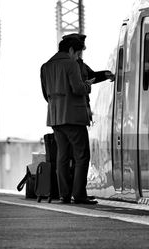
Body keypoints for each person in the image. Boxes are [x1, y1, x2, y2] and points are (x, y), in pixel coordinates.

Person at [40, 37, 98, 204]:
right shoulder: (70, 64)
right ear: (72, 50)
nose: (78, 57)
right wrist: (87, 84)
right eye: (79, 52)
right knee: (82, 156)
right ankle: (79, 194)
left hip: (55, 117)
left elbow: (45, 94)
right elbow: (78, 88)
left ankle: (64, 194)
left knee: (62, 156)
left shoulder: (46, 66)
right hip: (73, 117)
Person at [62, 33, 115, 123]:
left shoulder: (80, 64)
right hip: (72, 112)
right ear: (72, 49)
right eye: (79, 50)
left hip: (80, 110)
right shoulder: (66, 65)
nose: (82, 52)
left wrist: (105, 75)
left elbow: (90, 76)